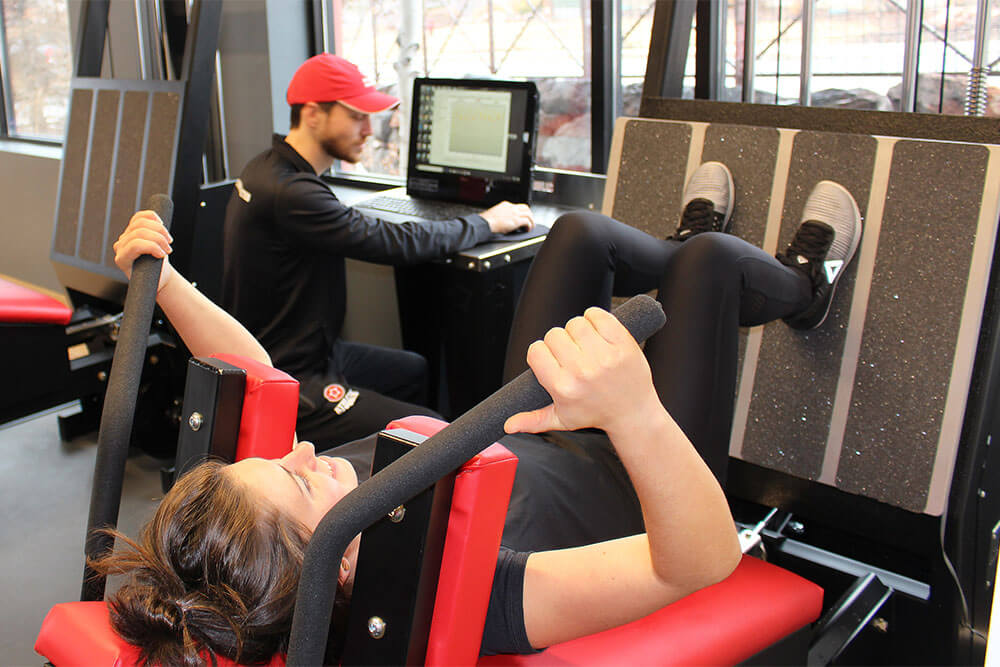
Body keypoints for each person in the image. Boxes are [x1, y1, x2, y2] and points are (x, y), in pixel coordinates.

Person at [99, 159, 861, 663]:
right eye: (300, 481)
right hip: (636, 475)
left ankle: (683, 244)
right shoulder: (453, 593)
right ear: (338, 571)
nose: (300, 451)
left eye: (275, 460)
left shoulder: (315, 523)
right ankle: (803, 284)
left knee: (580, 232)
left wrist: (163, 280)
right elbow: (696, 560)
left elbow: (255, 373)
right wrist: (635, 413)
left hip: (530, 422)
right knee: (713, 267)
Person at [221, 53, 535, 448]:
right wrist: (486, 223)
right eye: (356, 117)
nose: (369, 130)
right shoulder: (293, 193)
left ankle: (384, 484)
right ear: (314, 114)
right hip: (292, 380)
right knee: (435, 431)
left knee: (413, 371)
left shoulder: (266, 169)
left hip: (306, 354)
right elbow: (395, 243)